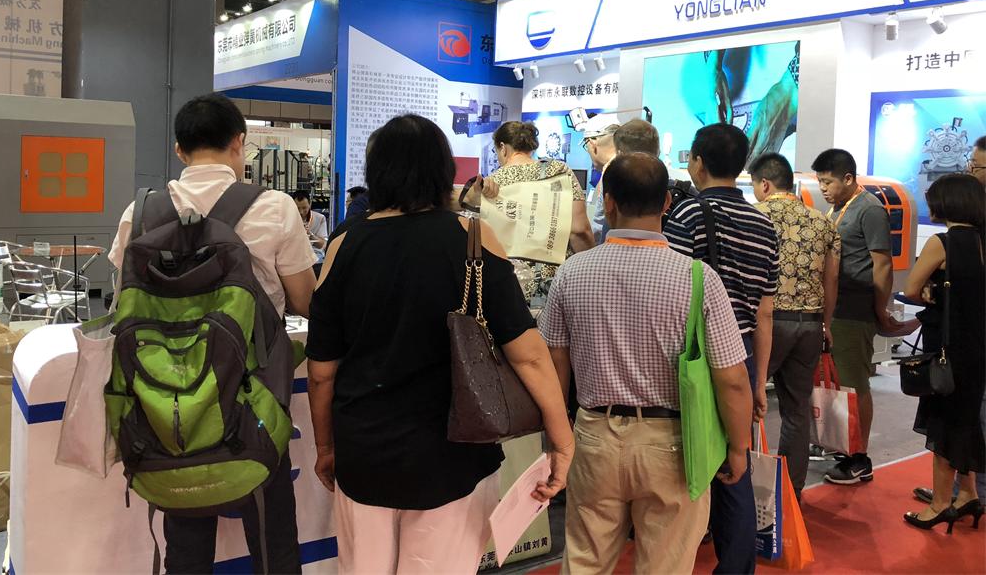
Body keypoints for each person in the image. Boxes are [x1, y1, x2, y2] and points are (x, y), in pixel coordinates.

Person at [305, 114, 574, 574]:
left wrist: (326, 447)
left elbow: (321, 372)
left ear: (377, 173)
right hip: (454, 454)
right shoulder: (472, 239)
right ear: (442, 171)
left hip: (363, 452)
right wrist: (561, 440)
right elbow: (529, 355)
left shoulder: (343, 244)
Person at [107, 93, 317, 574]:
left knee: (185, 540)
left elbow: (125, 302)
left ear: (179, 150)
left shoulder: (140, 213)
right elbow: (306, 301)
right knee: (273, 538)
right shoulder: (274, 207)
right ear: (239, 142)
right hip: (254, 399)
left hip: (165, 403)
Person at [541, 153, 752, 574]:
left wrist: (556, 438)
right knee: (665, 565)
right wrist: (738, 446)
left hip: (593, 434)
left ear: (609, 203)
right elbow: (732, 380)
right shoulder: (698, 278)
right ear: (667, 203)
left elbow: (553, 365)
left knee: (584, 560)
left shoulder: (572, 272)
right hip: (673, 443)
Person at [664, 123, 778, 575]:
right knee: (736, 460)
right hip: (744, 351)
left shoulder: (688, 215)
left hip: (697, 350)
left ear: (697, 161)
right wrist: (759, 380)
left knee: (688, 451)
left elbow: (672, 291)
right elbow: (765, 312)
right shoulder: (763, 223)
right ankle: (736, 567)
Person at [811, 148, 909, 485]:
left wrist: (880, 308)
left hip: (856, 310)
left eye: (828, 182)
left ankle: (860, 458)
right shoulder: (838, 208)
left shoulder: (869, 209)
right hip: (835, 309)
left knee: (854, 384)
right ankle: (842, 446)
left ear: (848, 178)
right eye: (820, 182)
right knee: (837, 382)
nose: (823, 188)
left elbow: (882, 264)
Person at [751, 152, 840, 498]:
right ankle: (791, 493)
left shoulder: (754, 215)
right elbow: (831, 279)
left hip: (766, 325)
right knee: (797, 410)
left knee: (746, 404)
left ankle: (744, 491)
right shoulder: (823, 222)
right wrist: (825, 324)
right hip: (809, 324)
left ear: (765, 184)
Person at [902, 173, 984, 531]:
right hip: (978, 347)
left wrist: (930, 293)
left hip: (947, 347)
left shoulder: (943, 243)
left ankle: (939, 504)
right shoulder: (982, 242)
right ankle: (968, 494)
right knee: (966, 420)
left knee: (944, 422)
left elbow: (911, 288)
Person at [476, 121, 595, 299]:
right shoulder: (559, 172)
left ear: (503, 148)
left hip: (506, 286)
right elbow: (579, 230)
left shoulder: (490, 185)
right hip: (554, 284)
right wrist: (590, 268)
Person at [581, 115, 620, 242]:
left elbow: (598, 227)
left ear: (592, 143)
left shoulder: (611, 173)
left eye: (586, 146)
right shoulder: (628, 166)